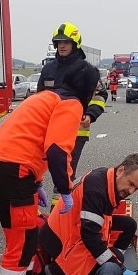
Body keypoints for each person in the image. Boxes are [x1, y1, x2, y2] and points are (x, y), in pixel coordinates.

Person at [0, 60, 101, 275]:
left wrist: (36, 182)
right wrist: (67, 189)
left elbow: (29, 140)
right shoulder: (71, 104)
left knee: (27, 241)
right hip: (15, 174)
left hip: (6, 170)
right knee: (20, 246)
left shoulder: (46, 97)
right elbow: (58, 151)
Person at [38, 153, 138, 275]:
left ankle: (99, 268)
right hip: (61, 241)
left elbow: (96, 223)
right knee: (116, 261)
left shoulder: (108, 179)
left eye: (137, 188)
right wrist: (117, 267)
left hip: (73, 230)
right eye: (131, 184)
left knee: (128, 225)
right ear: (121, 170)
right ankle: (58, 271)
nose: (131, 191)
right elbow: (90, 236)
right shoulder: (97, 189)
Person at [36, 23, 107, 180]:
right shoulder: (48, 69)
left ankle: (61, 204)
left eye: (66, 42)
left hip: (76, 130)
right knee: (38, 169)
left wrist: (90, 115)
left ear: (75, 44)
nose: (62, 46)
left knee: (65, 174)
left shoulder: (86, 70)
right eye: (59, 42)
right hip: (49, 128)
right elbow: (38, 97)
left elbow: (100, 95)